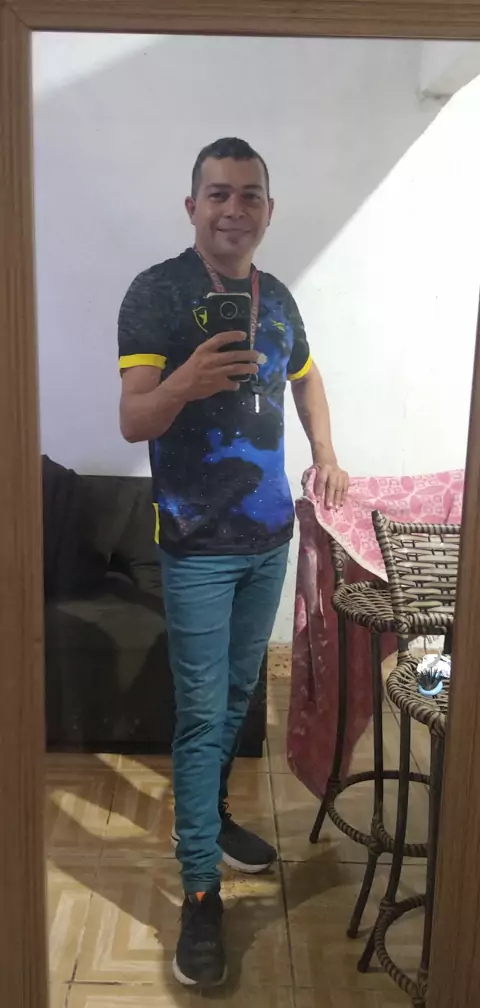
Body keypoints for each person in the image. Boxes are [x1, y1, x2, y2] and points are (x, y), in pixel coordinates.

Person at [118, 137, 349, 988]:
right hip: (196, 549)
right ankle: (200, 894)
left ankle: (212, 821)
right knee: (202, 717)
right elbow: (133, 420)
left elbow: (307, 378)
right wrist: (184, 382)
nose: (234, 208)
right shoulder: (155, 293)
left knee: (240, 698)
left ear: (268, 210)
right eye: (218, 193)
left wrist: (326, 451)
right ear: (193, 207)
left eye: (250, 194)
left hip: (269, 539)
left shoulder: (277, 298)